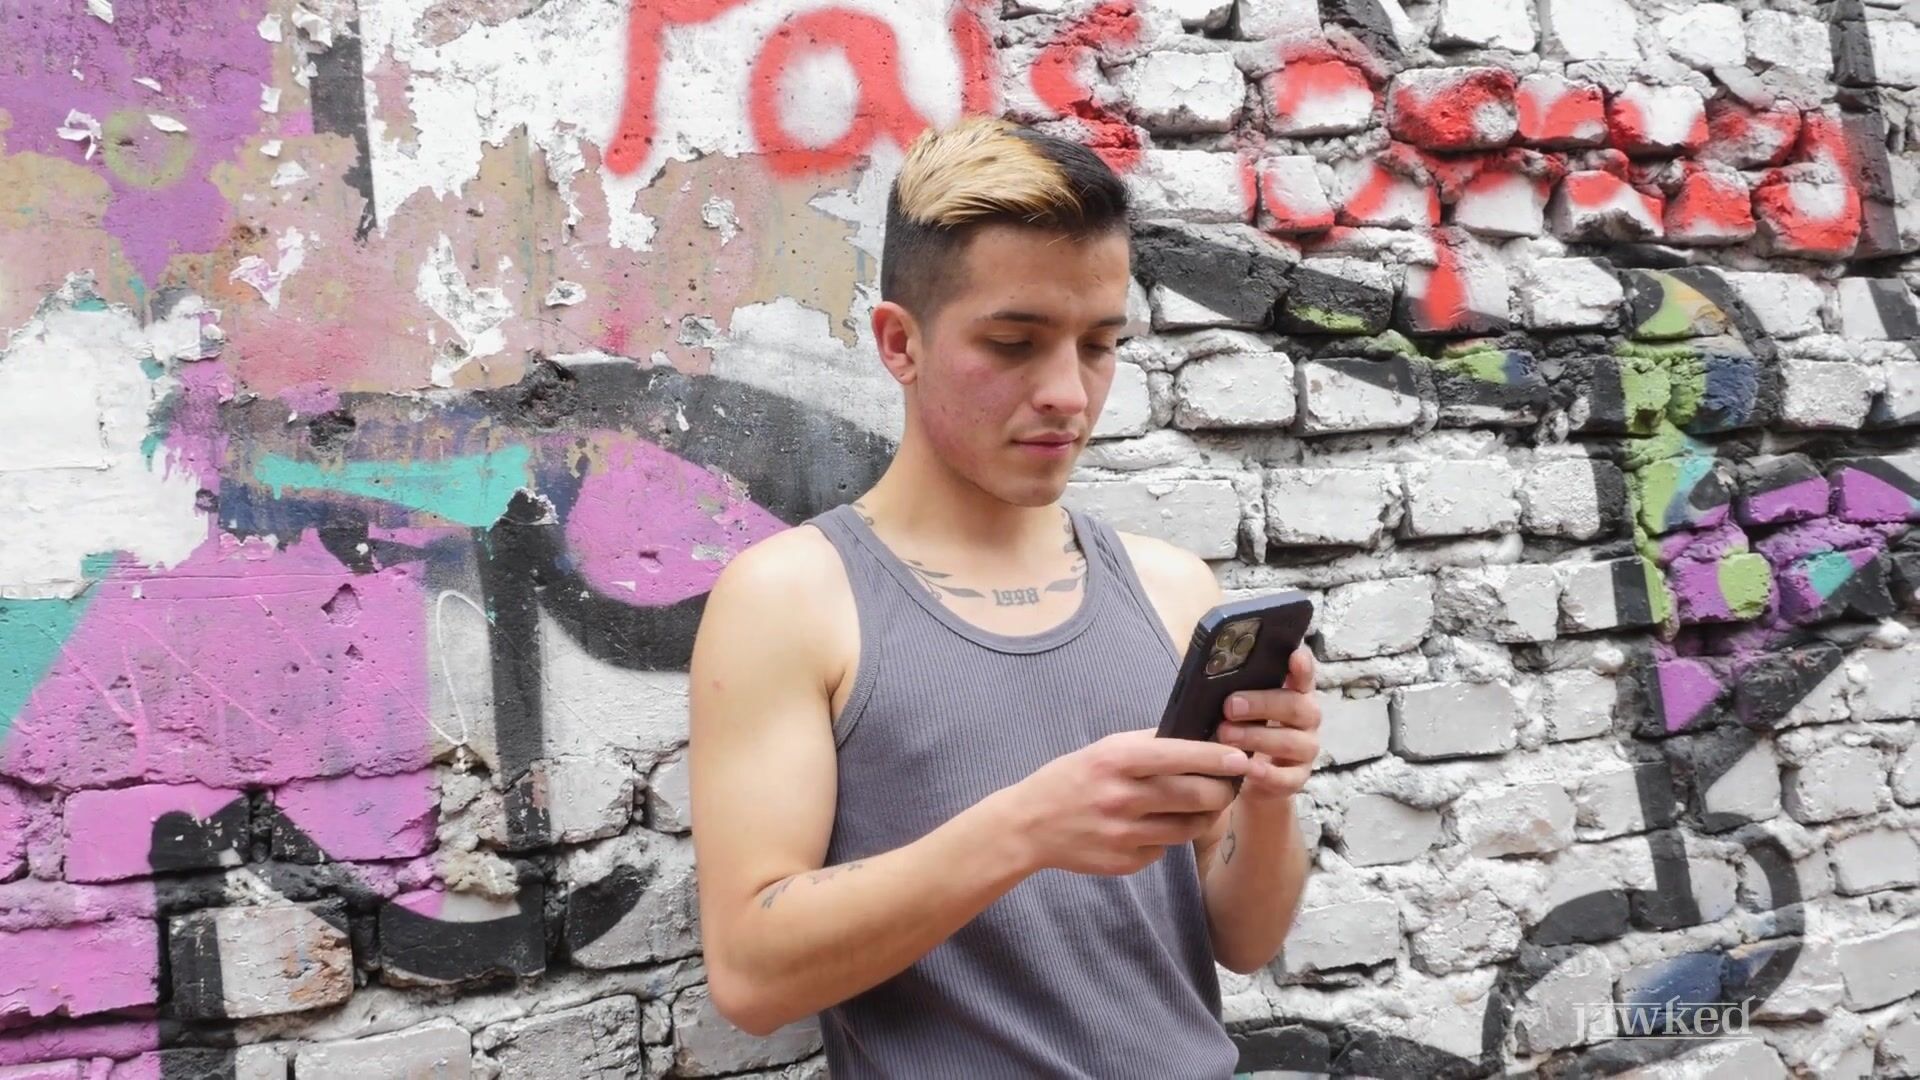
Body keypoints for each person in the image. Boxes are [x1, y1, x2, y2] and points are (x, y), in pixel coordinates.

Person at [686, 115, 1320, 1078]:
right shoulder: (792, 599)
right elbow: (751, 975)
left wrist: (1269, 795)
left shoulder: (1172, 587)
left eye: (1099, 345)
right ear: (899, 343)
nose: (1068, 391)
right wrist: (1025, 830)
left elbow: (1244, 939)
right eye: (1015, 343)